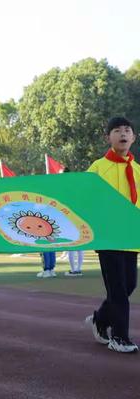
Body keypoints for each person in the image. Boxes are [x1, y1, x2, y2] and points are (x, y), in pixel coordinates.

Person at [85, 117, 140, 353]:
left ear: (134, 137)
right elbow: (83, 198)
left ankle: (100, 319)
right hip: (107, 237)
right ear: (108, 137)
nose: (123, 134)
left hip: (131, 237)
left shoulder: (137, 170)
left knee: (129, 285)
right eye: (117, 131)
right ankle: (119, 337)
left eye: (127, 130)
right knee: (117, 288)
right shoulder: (97, 168)